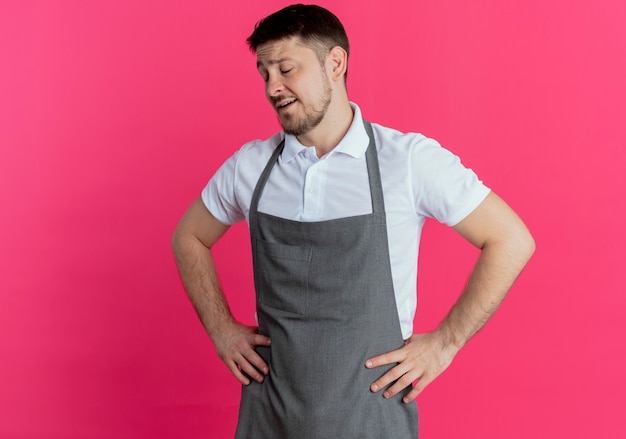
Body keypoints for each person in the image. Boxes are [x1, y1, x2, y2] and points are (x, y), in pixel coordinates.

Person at [172, 4, 535, 438]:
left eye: (287, 69)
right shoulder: (249, 167)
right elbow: (188, 236)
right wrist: (221, 330)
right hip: (269, 418)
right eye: (264, 73)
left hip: (372, 420)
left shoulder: (408, 161)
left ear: (336, 63)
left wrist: (446, 343)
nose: (273, 87)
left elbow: (511, 239)